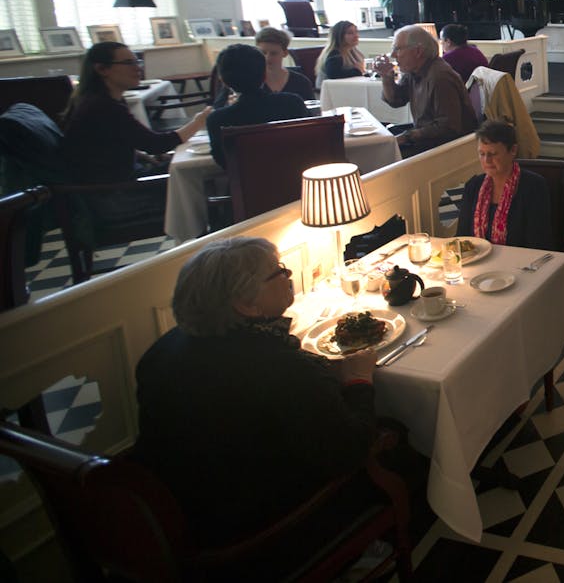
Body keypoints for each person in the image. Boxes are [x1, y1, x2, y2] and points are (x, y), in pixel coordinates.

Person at [134, 237, 382, 568]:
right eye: (278, 272)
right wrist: (359, 381)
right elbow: (349, 452)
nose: (288, 274)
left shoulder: (159, 353)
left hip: (176, 518)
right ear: (246, 305)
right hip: (258, 536)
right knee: (394, 442)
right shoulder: (281, 369)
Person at [60, 42, 210, 191]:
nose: (138, 68)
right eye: (128, 63)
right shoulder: (103, 107)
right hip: (114, 193)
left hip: (117, 181)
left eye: (137, 61)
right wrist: (198, 122)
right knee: (200, 170)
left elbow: (108, 145)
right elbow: (156, 145)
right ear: (102, 69)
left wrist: (142, 156)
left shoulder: (96, 100)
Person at [375, 26, 477, 156]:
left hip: (447, 149)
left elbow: (448, 128)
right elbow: (396, 100)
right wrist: (386, 77)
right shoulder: (414, 71)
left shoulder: (440, 77)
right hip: (428, 140)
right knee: (380, 143)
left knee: (382, 154)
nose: (393, 55)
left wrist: (407, 136)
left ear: (418, 51)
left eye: (398, 49)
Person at [206, 44, 310, 168]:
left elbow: (223, 162)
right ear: (265, 75)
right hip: (298, 182)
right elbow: (308, 144)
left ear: (223, 81)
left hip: (247, 185)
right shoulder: (292, 103)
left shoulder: (217, 119)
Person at [456, 120, 551, 248]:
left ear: (513, 150)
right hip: (478, 262)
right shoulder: (473, 186)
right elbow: (462, 237)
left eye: (493, 154)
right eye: (482, 154)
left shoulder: (533, 186)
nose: (487, 160)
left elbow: (538, 243)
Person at [211, 27, 315, 104]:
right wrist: (231, 105)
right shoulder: (244, 79)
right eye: (263, 52)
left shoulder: (301, 82)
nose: (267, 58)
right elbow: (218, 108)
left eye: (273, 53)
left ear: (285, 53)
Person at [317, 20, 365, 84]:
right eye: (350, 33)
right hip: (330, 90)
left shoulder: (352, 50)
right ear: (339, 36)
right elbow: (334, 75)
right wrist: (357, 71)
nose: (356, 36)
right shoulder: (334, 53)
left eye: (356, 32)